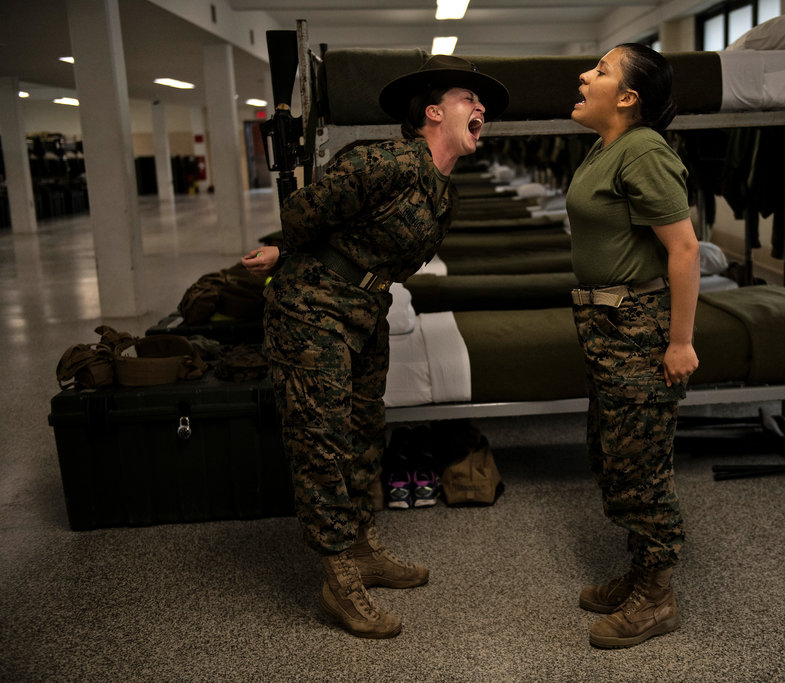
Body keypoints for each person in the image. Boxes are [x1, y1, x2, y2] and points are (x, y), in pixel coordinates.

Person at [253, 55, 508, 640]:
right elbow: (301, 217)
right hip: (311, 307)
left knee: (365, 431)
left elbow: (377, 250)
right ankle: (336, 578)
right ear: (434, 113)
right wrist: (284, 253)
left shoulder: (446, 195)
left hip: (367, 311)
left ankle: (362, 544)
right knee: (320, 440)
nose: (482, 109)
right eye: (470, 99)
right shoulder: (382, 161)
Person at [565, 43, 700, 649]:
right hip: (608, 327)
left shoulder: (643, 149)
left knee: (641, 466)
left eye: (599, 70)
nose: (584, 76)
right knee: (615, 454)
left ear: (627, 97)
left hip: (640, 328)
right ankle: (642, 571)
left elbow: (685, 250)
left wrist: (679, 342)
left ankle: (658, 597)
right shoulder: (606, 147)